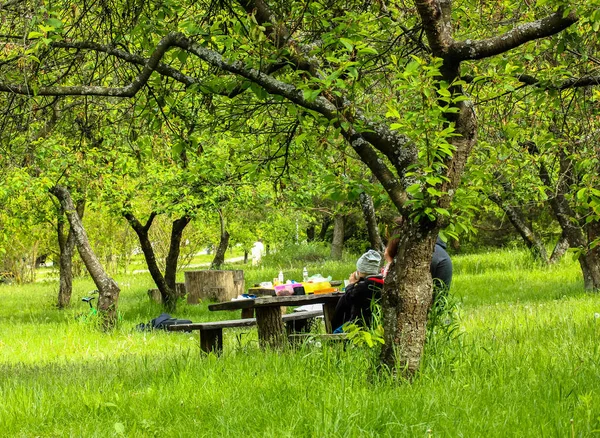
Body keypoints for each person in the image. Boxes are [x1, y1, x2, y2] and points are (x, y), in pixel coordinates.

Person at [383, 220, 452, 299]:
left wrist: (389, 262)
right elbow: (440, 299)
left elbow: (390, 288)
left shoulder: (406, 249)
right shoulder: (443, 255)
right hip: (443, 265)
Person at [331, 249, 385, 332]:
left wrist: (351, 284)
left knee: (336, 332)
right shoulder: (381, 284)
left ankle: (333, 339)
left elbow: (350, 297)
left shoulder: (362, 287)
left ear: (360, 271)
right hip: (377, 324)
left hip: (360, 324)